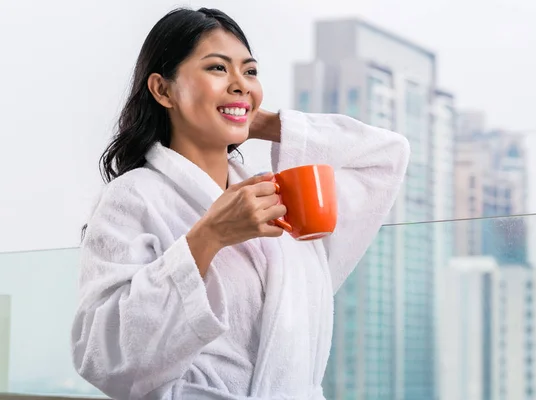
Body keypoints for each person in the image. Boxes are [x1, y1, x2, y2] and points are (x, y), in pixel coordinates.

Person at [71, 7, 410, 400]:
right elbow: (102, 355)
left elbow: (387, 155)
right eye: (217, 68)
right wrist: (209, 237)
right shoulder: (132, 199)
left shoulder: (276, 198)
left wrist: (265, 123)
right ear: (163, 90)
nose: (241, 84)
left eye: (249, 72)